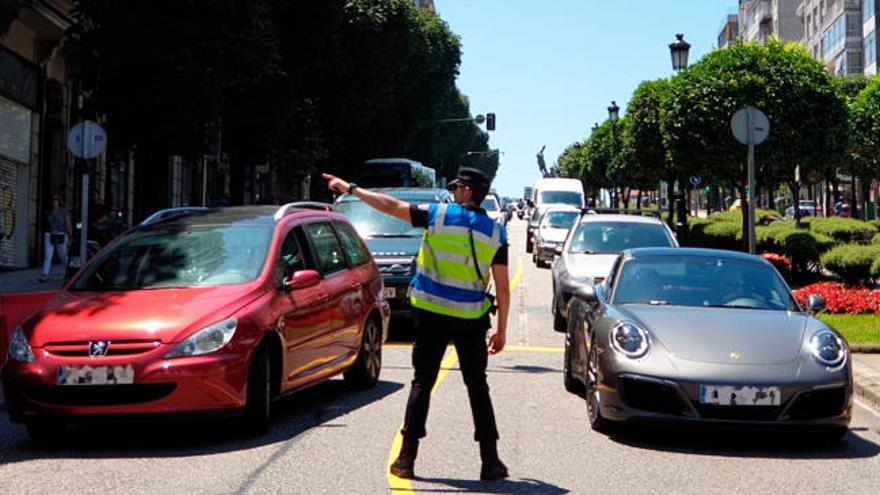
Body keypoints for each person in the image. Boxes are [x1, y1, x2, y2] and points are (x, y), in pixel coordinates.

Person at [323, 167, 510, 481]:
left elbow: (389, 206)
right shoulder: (494, 232)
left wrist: (351, 188)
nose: (452, 192)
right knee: (477, 387)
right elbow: (503, 288)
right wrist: (502, 330)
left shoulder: (437, 216)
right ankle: (490, 461)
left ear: (467, 191)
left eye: (456, 188)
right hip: (470, 318)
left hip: (431, 313)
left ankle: (406, 458)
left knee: (422, 382)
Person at [39, 194, 73, 282]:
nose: (54, 202)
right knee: (48, 255)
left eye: (56, 200)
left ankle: (69, 271)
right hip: (50, 234)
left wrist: (70, 236)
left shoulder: (64, 212)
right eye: (53, 200)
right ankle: (45, 274)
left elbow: (68, 225)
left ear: (59, 201)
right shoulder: (48, 212)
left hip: (61, 234)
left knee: (62, 255)